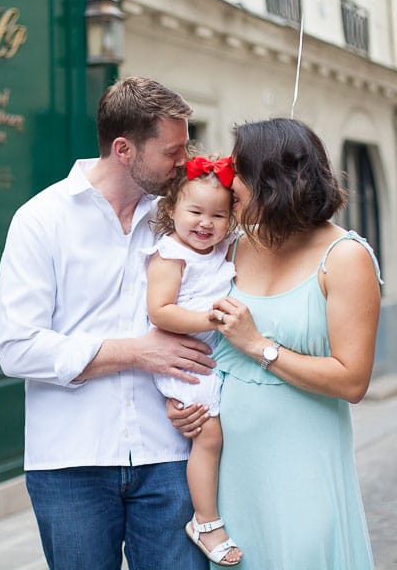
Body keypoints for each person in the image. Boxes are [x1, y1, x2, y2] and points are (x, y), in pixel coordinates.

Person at [0, 76, 211, 570]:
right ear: (123, 149)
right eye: (171, 151)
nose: (183, 162)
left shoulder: (180, 220)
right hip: (70, 462)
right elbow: (17, 347)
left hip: (170, 456)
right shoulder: (40, 220)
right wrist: (137, 351)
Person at [170, 118, 382, 569]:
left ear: (272, 180)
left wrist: (259, 345)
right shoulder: (235, 246)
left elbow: (353, 380)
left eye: (239, 172)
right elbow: (189, 325)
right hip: (232, 471)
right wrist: (181, 397)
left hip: (303, 463)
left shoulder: (345, 258)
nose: (231, 184)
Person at [144, 156, 243, 566]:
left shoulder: (219, 250)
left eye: (218, 215)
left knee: (219, 437)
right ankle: (205, 521)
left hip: (210, 356)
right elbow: (160, 311)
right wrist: (210, 319)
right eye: (195, 212)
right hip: (185, 361)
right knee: (210, 437)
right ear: (171, 211)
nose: (206, 223)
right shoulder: (171, 255)